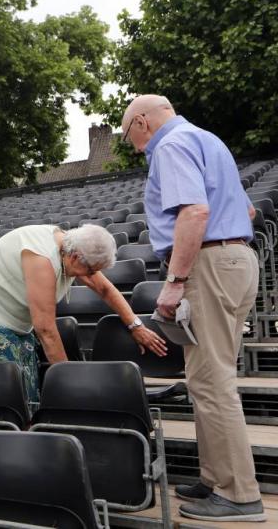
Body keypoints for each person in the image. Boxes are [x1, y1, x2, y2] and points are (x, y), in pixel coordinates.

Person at [121, 94, 264, 522]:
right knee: (208, 378)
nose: (133, 146)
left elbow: (195, 211)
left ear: (142, 122)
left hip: (209, 264)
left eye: (129, 136)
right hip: (236, 259)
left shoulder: (168, 144)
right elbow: (249, 209)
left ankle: (238, 495)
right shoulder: (207, 139)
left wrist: (176, 280)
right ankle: (215, 477)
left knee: (212, 383)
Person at [0, 223, 167, 402]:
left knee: (24, 391)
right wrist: (72, 384)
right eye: (91, 270)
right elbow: (45, 330)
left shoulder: (71, 249)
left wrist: (135, 326)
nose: (92, 275)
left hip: (16, 322)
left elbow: (104, 288)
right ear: (74, 258)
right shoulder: (42, 259)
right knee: (2, 394)